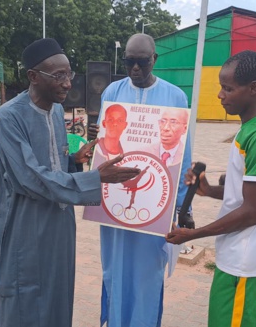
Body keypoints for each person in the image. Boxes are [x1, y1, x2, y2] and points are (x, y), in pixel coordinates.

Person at [0, 38, 140, 327]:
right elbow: (29, 178)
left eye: (68, 73)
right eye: (57, 76)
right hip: (25, 223)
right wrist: (95, 178)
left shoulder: (57, 111)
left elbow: (53, 163)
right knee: (24, 297)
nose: (67, 83)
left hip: (60, 221)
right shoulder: (10, 117)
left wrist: (76, 160)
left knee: (58, 292)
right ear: (33, 77)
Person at [166, 50, 256, 327]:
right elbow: (247, 194)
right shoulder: (250, 128)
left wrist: (194, 234)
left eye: (228, 88)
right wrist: (209, 189)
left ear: (253, 89)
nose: (220, 95)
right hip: (236, 256)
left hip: (245, 262)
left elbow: (252, 212)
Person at [88, 33, 192, 327]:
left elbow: (183, 156)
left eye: (142, 62)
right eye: (130, 62)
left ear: (154, 60)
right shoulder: (111, 91)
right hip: (115, 201)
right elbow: (103, 142)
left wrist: (182, 207)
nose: (135, 69)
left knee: (147, 271)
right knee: (115, 267)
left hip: (154, 201)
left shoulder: (175, 96)